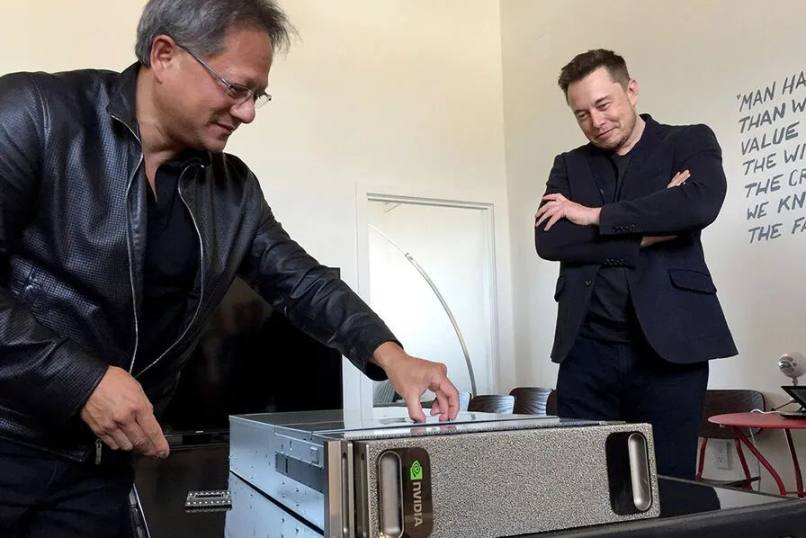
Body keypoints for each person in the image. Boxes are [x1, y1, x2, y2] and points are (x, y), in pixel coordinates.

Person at [0, 0, 459, 535]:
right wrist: (82, 382)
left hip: (100, 470)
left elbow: (302, 283)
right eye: (236, 88)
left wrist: (391, 355)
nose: (247, 113)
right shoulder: (33, 113)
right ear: (165, 55)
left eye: (257, 95)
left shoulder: (233, 189)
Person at [534, 49, 737, 479]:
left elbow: (697, 205)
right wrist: (653, 224)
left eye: (603, 104)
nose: (595, 121)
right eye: (582, 114)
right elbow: (551, 240)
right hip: (585, 351)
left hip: (670, 349)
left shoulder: (688, 141)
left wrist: (593, 216)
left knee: (670, 485)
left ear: (631, 90)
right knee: (584, 486)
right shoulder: (568, 166)